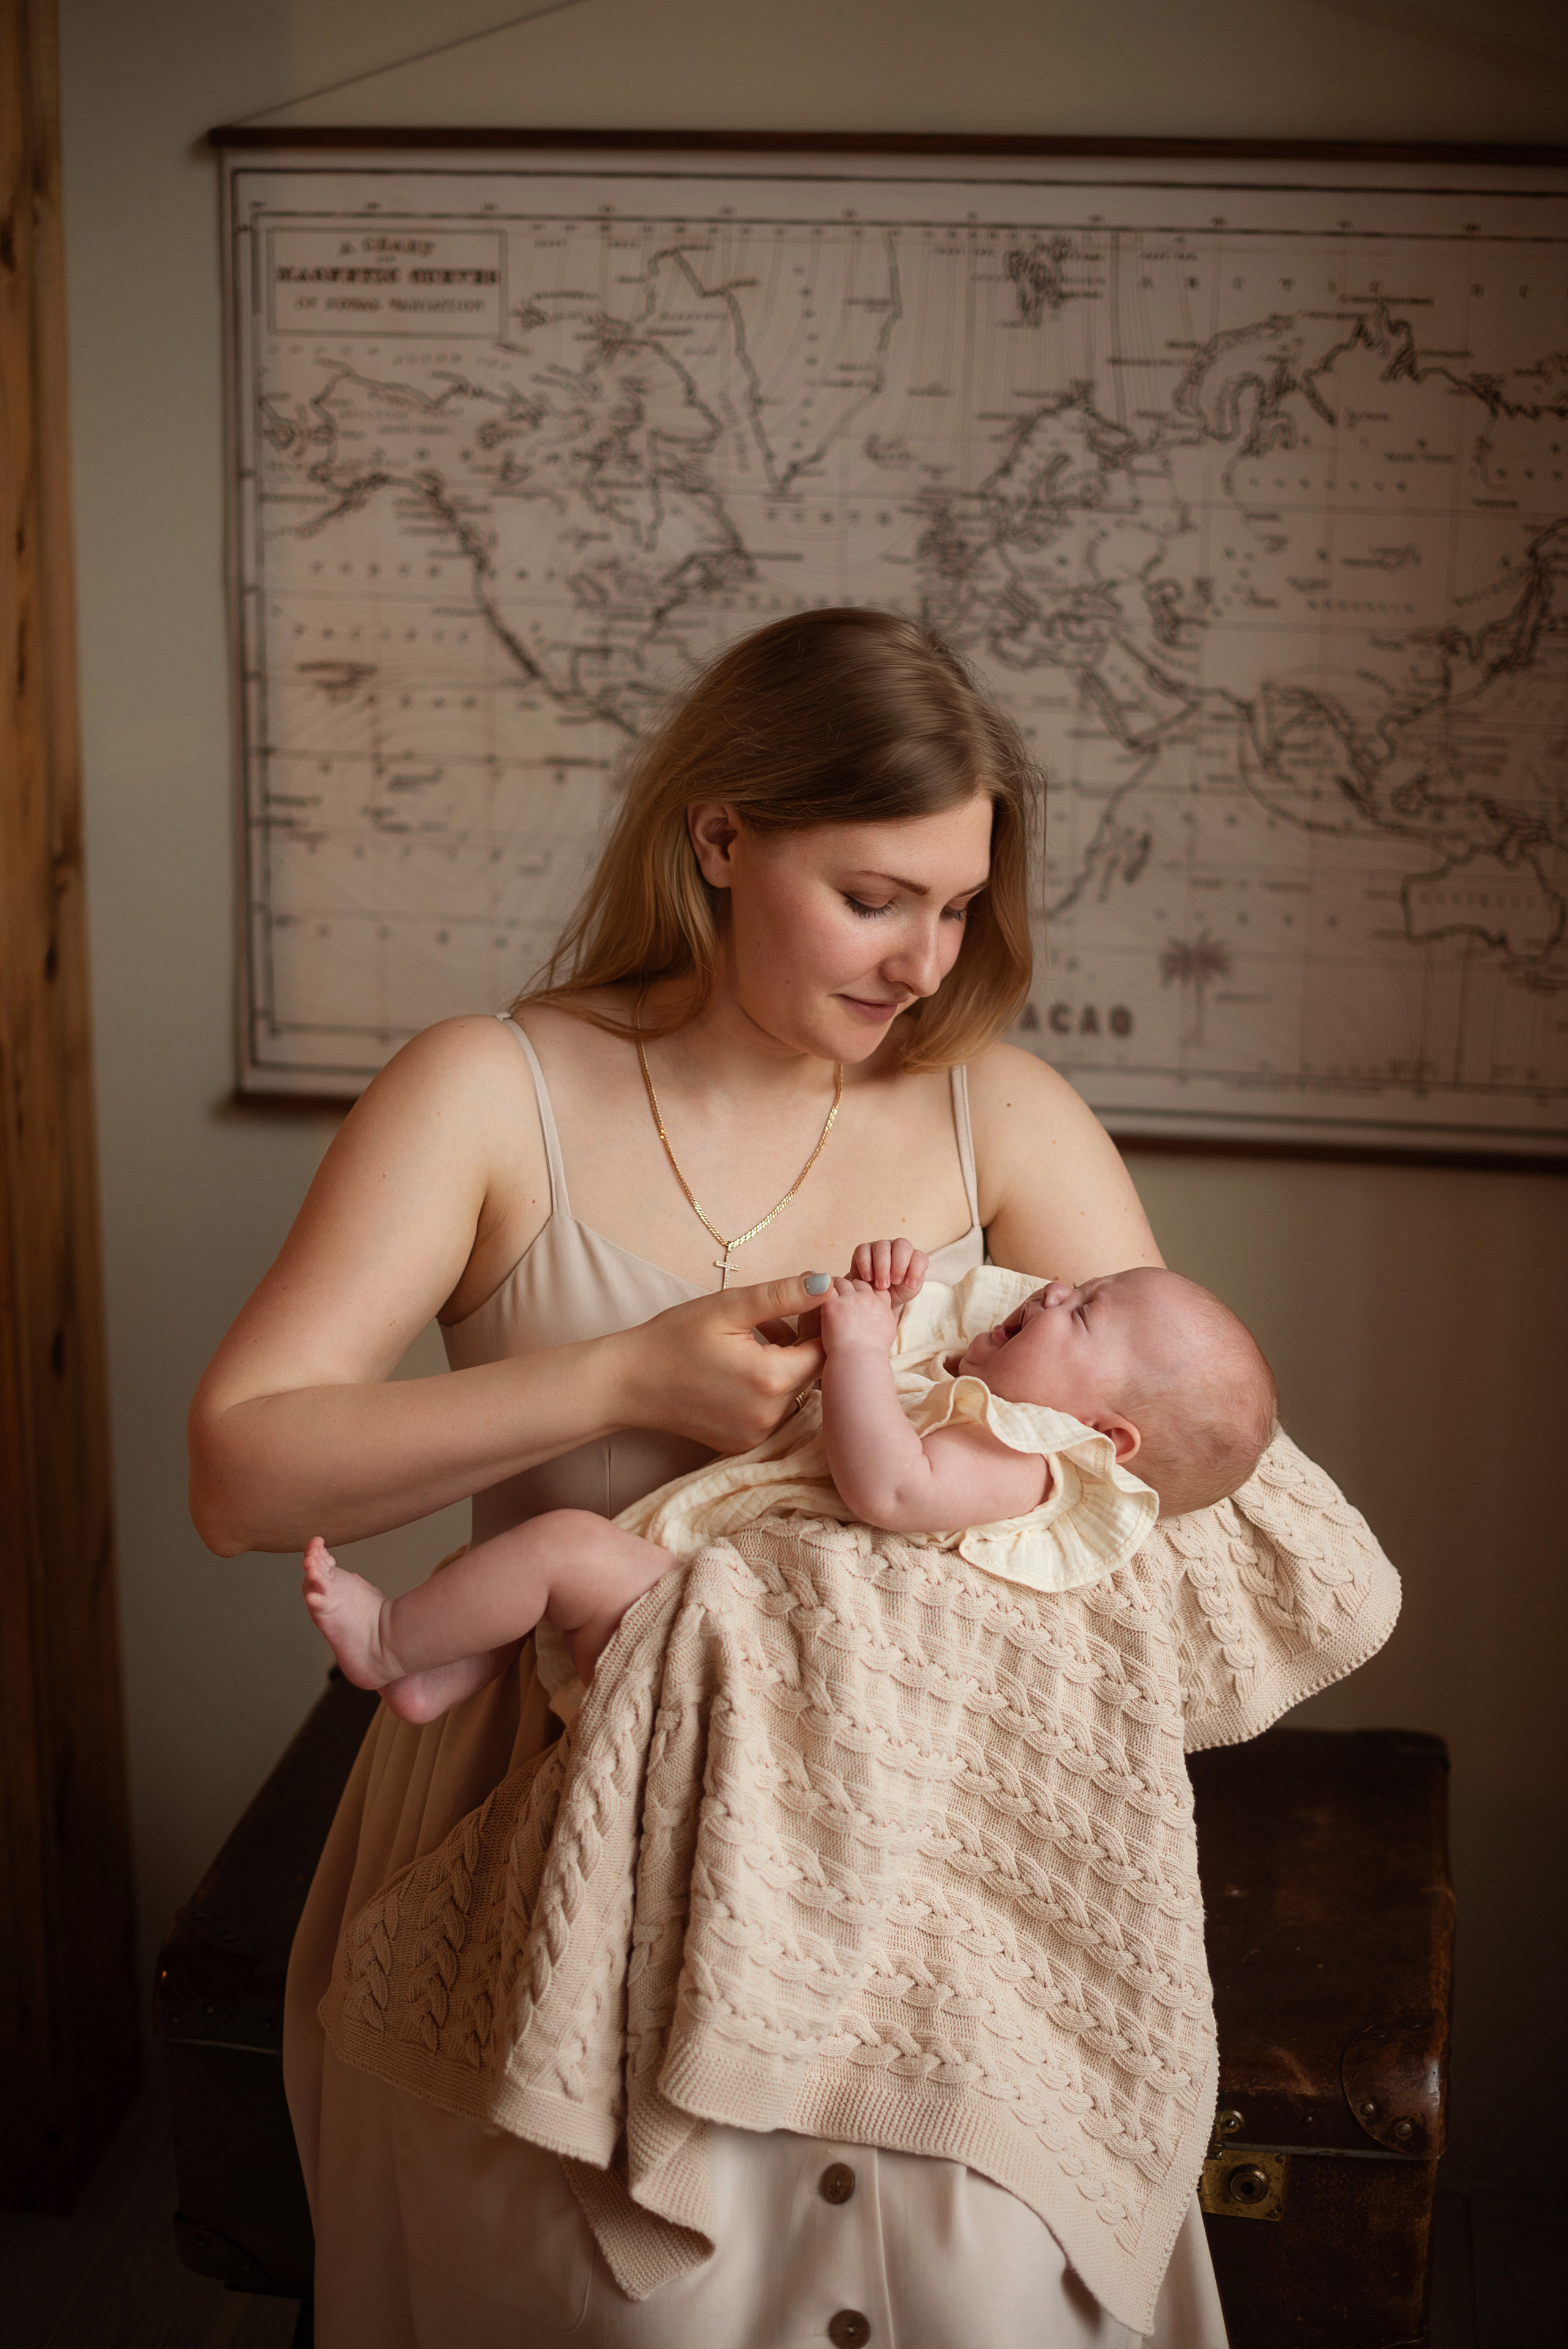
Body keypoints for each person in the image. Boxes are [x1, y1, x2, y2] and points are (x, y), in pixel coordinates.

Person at [190, 608, 1387, 2348]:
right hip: (554, 1835)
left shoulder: (1005, 1118)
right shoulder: (487, 1095)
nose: (925, 961)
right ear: (723, 836)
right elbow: (240, 1473)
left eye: (960, 903)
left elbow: (1152, 1514)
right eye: (875, 896)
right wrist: (617, 1377)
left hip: (923, 1868)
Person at [299, 1246, 1275, 1730]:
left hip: (721, 1653)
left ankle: (389, 1641)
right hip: (685, 1589)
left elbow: (887, 1486)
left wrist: (856, 1348)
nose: (1055, 1290)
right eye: (1080, 1283)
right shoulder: (974, 1390)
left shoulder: (1027, 1461)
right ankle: (443, 1670)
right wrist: (888, 1303)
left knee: (560, 1546)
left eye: (1087, 1312)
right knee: (525, 1566)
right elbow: (885, 1386)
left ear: (1105, 1436)